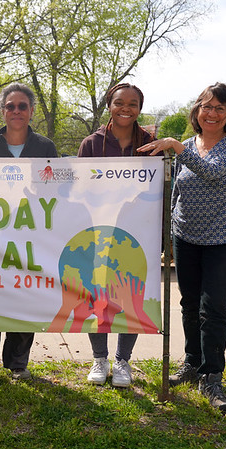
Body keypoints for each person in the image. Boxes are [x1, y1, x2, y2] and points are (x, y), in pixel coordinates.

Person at [138, 82, 226, 412]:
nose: (212, 113)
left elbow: (213, 173)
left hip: (223, 239)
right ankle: (191, 363)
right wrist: (167, 235)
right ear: (196, 112)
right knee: (189, 305)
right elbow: (176, 193)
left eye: (219, 108)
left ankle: (211, 377)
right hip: (186, 238)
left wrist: (174, 145)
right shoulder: (186, 146)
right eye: (206, 106)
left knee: (213, 307)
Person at [0, 82, 59, 384]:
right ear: (2, 110)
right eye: (10, 106)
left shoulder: (46, 147)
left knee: (26, 297)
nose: (17, 111)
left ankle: (17, 363)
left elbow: (56, 191)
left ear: (32, 111)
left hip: (31, 237)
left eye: (23, 106)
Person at [77, 83, 158, 388]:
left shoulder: (150, 144)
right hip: (98, 232)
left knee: (130, 296)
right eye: (119, 103)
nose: (126, 109)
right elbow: (79, 191)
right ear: (109, 105)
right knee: (97, 297)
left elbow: (160, 191)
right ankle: (100, 358)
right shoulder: (90, 144)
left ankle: (123, 361)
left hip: (138, 235)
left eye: (133, 104)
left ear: (140, 108)